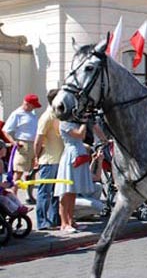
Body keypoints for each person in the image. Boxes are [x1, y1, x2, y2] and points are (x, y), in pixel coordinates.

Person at [54, 121, 95, 233]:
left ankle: (71, 220)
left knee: (73, 191)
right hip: (70, 154)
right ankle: (64, 223)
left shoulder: (75, 123)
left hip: (79, 152)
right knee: (66, 191)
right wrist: (84, 122)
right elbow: (79, 134)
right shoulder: (64, 123)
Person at [33, 89, 64, 230]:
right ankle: (42, 221)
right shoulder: (46, 117)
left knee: (56, 192)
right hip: (48, 160)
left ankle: (53, 219)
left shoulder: (58, 115)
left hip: (58, 159)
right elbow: (38, 141)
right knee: (44, 192)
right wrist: (36, 157)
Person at [2, 93, 42, 194]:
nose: (34, 107)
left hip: (34, 144)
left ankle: (29, 195)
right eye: (33, 105)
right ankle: (13, 196)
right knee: (18, 171)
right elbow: (6, 130)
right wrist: (13, 142)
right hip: (23, 144)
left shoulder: (32, 114)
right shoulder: (17, 114)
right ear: (27, 104)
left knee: (32, 172)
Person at [0, 140, 31, 216]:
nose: (6, 150)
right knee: (4, 199)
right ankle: (15, 210)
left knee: (10, 194)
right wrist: (5, 185)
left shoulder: (1, 161)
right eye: (4, 148)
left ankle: (20, 207)